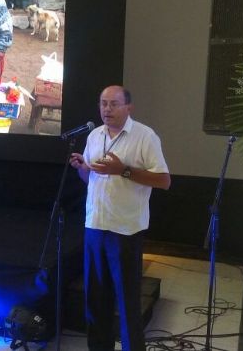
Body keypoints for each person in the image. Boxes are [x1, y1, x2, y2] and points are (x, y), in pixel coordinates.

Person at [69, 86, 171, 351]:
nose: (107, 109)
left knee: (126, 301)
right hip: (95, 226)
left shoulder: (145, 137)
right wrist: (83, 168)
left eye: (114, 104)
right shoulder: (94, 136)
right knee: (95, 300)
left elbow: (164, 180)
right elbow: (91, 179)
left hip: (125, 231)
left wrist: (122, 171)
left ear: (129, 107)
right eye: (103, 103)